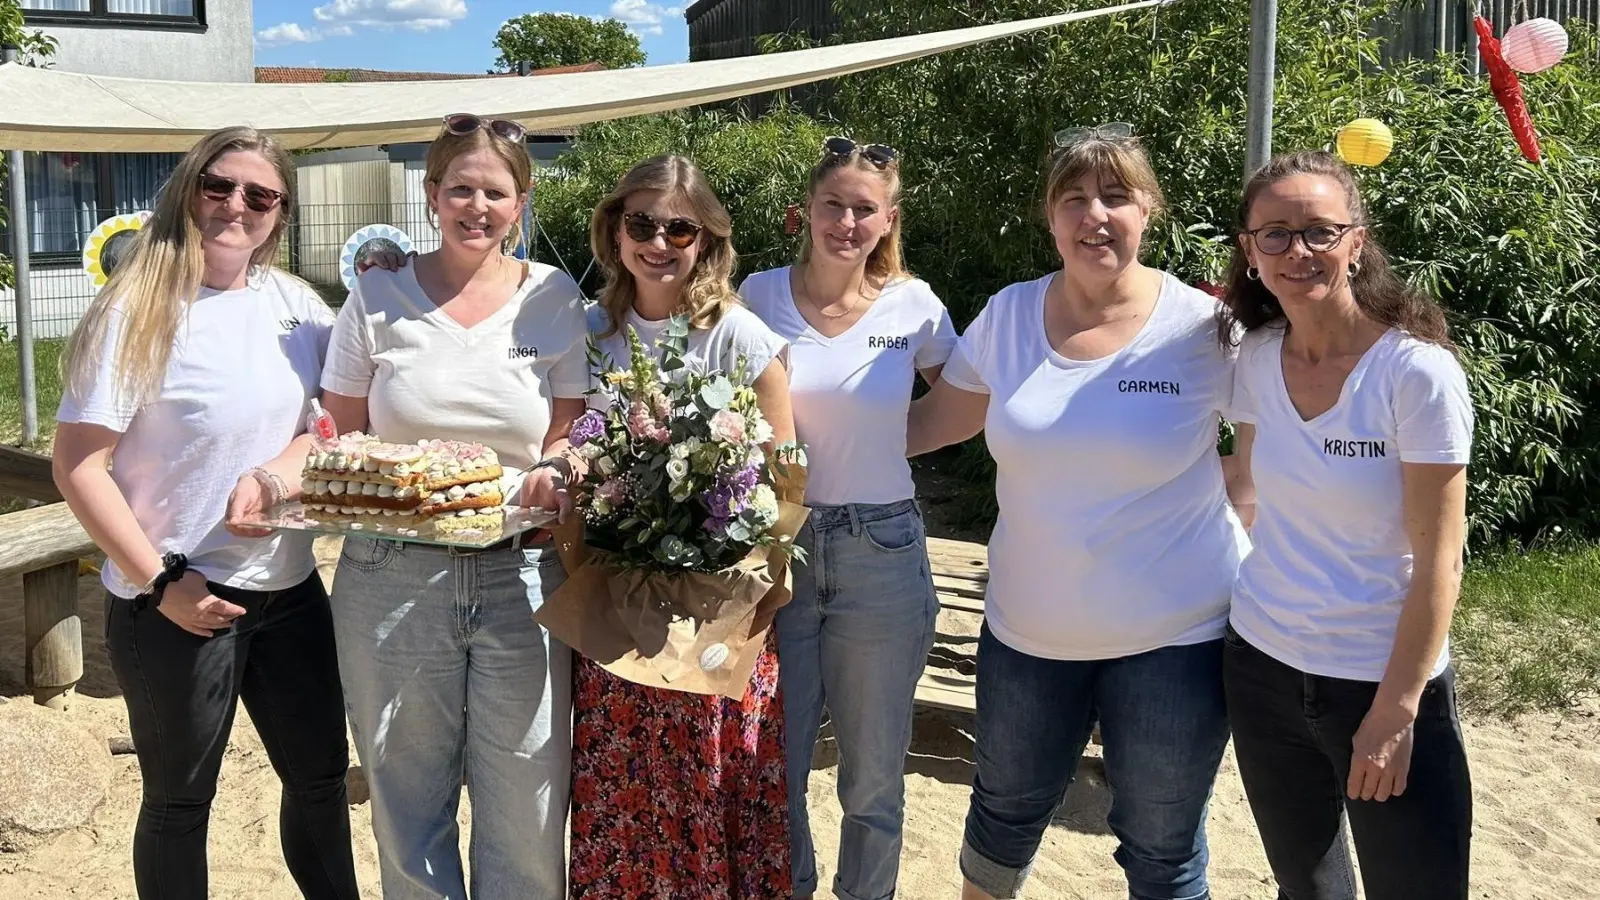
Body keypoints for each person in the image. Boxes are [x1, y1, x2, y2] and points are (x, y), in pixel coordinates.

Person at [906, 126, 1251, 900]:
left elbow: (1268, 457)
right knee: (1000, 820)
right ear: (1050, 217)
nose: (1096, 214)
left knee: (1163, 848)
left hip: (1177, 641)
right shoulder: (1008, 316)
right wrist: (795, 443)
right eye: (1074, 198)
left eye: (1117, 196)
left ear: (1149, 209)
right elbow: (932, 425)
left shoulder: (1204, 328)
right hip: (1028, 635)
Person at [51, 125, 360, 900]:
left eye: (259, 195)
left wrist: (274, 475)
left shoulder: (298, 306)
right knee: (181, 803)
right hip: (175, 601)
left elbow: (323, 430)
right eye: (217, 186)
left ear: (280, 213)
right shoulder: (137, 310)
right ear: (188, 188)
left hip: (287, 589)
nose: (235, 206)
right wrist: (161, 583)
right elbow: (78, 466)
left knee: (321, 782)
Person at [310, 112, 588, 898]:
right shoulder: (377, 295)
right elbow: (342, 434)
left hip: (524, 579)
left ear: (522, 201)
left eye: (494, 192)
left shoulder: (553, 297)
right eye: (459, 188)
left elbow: (569, 434)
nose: (477, 206)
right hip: (393, 577)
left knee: (530, 815)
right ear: (431, 194)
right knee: (407, 808)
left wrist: (558, 472)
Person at [1219, 150, 1474, 900]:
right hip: (1261, 667)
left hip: (1382, 680)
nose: (1298, 251)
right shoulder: (1257, 358)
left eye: (1319, 232)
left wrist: (1396, 711)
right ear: (1250, 251)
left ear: (1356, 243)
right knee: (1310, 891)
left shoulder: (1415, 373)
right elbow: (1245, 488)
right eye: (1276, 234)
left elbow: (1441, 565)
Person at [568, 154, 795, 899]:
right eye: (642, 223)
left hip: (715, 614)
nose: (659, 242)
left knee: (708, 791)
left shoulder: (737, 335)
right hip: (615, 613)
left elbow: (785, 472)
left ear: (708, 240)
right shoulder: (592, 335)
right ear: (614, 228)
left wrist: (745, 574)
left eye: (680, 228)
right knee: (623, 799)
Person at [740, 136, 955, 900]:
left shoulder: (915, 305)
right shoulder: (756, 294)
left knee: (872, 776)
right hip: (779, 544)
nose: (847, 221)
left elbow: (963, 400)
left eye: (865, 209)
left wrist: (892, 442)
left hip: (881, 545)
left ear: (888, 219)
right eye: (834, 204)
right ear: (806, 210)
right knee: (777, 761)